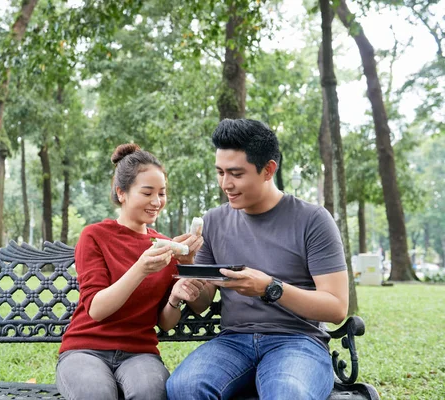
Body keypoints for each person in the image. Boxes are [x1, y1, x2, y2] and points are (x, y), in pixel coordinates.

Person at [166, 119, 349, 400]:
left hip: (298, 340)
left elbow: (336, 308)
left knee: (288, 394)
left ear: (268, 170)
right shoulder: (214, 221)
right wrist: (190, 270)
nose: (226, 184)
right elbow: (202, 303)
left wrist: (269, 288)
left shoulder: (312, 220)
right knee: (184, 388)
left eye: (236, 174)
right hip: (233, 341)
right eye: (220, 172)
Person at [56, 143, 204, 400]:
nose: (157, 202)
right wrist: (140, 268)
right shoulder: (95, 236)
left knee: (151, 394)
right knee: (97, 395)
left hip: (140, 352)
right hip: (85, 349)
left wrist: (178, 289)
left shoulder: (163, 247)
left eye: (162, 193)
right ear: (121, 193)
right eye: (147, 193)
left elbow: (165, 323)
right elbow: (97, 309)